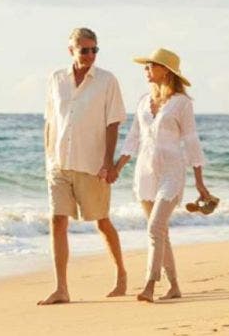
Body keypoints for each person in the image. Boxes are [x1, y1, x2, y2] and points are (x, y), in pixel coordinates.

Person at [111, 47, 214, 303]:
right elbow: (134, 136)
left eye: (151, 66)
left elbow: (191, 141)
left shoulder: (181, 103)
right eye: (146, 66)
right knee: (160, 232)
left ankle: (149, 284)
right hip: (145, 172)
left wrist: (200, 183)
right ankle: (175, 286)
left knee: (155, 227)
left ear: (166, 71)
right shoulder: (143, 101)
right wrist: (118, 166)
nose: (146, 70)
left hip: (171, 172)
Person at [38, 27, 127, 305]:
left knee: (101, 221)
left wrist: (108, 163)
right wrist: (49, 158)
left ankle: (121, 274)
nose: (90, 55)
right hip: (59, 164)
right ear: (71, 51)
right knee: (57, 220)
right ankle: (61, 288)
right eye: (84, 50)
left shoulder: (107, 81)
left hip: (92, 164)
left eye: (94, 50)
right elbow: (50, 121)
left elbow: (113, 122)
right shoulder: (56, 79)